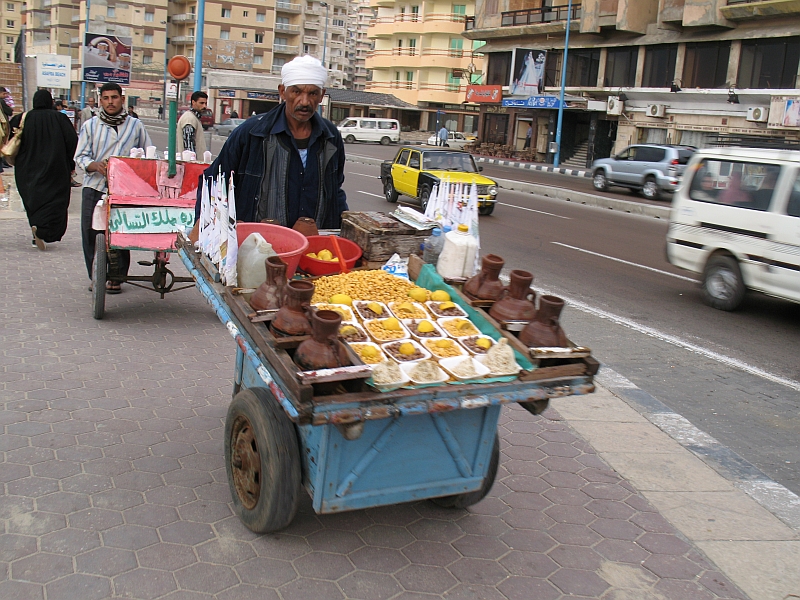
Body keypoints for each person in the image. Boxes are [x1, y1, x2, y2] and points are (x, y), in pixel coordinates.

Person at [197, 55, 347, 229]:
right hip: (257, 246)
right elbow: (214, 182)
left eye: (312, 93)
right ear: (283, 92)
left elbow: (335, 191)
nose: (305, 102)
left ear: (321, 96)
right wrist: (205, 231)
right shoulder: (252, 133)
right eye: (296, 92)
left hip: (314, 249)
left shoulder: (330, 138)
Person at [75, 82, 152, 293]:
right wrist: (95, 166)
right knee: (91, 233)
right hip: (95, 186)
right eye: (106, 98)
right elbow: (80, 156)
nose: (110, 102)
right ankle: (96, 276)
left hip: (125, 191)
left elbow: (148, 155)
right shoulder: (90, 126)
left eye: (114, 97)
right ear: (101, 101)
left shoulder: (135, 126)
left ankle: (117, 277)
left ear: (122, 99)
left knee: (121, 233)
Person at [14, 90, 78, 251]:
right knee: (55, 202)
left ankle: (36, 229)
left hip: (26, 170)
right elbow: (72, 141)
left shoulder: (22, 118)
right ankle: (44, 232)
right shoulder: (60, 118)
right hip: (56, 169)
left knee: (33, 201)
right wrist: (70, 163)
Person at [177, 91, 208, 156]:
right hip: (191, 163)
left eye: (205, 103)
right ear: (193, 102)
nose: (204, 106)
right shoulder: (189, 118)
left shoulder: (194, 117)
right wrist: (192, 162)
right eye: (201, 103)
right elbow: (188, 145)